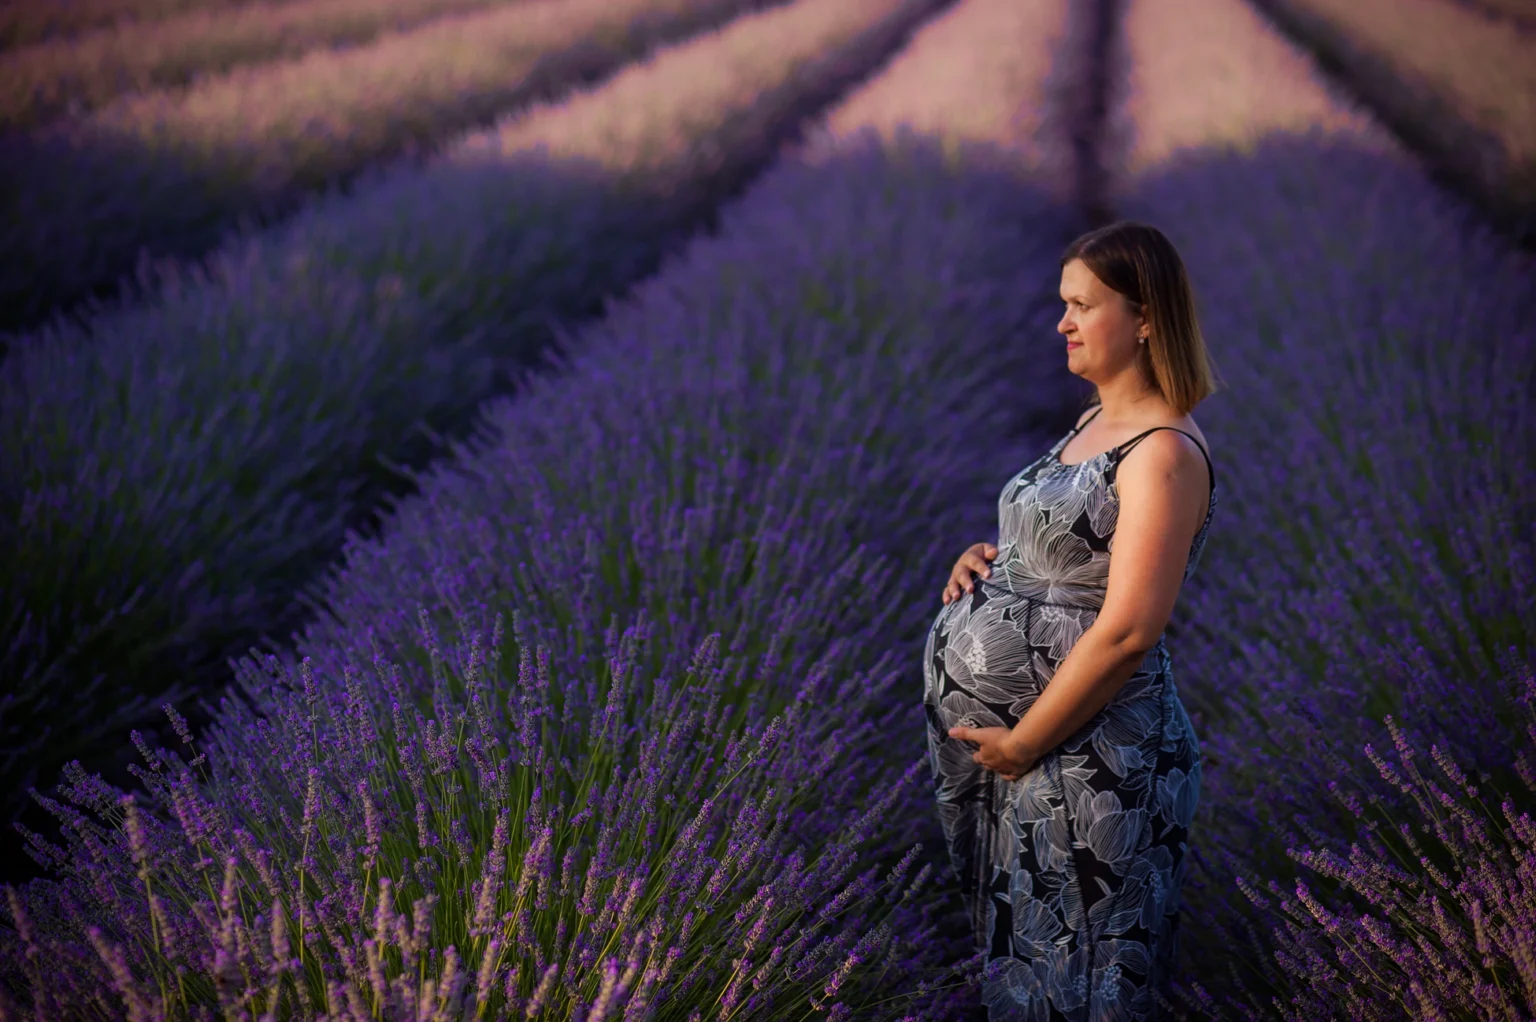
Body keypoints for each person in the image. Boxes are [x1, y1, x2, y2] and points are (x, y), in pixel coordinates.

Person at [921, 220, 1222, 1021]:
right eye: (1064, 303)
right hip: (1041, 759)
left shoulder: (1162, 452)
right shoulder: (1092, 423)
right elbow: (1071, 550)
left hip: (1092, 762)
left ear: (1147, 317)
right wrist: (992, 561)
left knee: (1088, 980)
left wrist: (1022, 742)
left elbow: (1129, 629)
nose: (1062, 322)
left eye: (1083, 305)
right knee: (1032, 973)